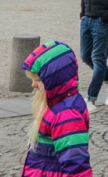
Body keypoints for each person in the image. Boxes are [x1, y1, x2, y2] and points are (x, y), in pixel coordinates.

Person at [22, 41, 92, 177]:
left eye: (37, 80)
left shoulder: (66, 115)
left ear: (54, 80)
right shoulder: (55, 104)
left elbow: (76, 167)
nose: (33, 84)